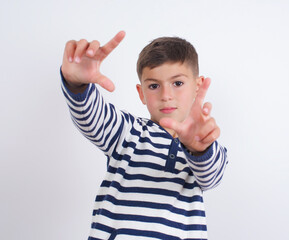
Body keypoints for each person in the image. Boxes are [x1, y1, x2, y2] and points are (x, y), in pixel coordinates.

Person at [60, 31, 228, 240]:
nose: (166, 95)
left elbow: (211, 176)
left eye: (177, 83)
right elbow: (91, 117)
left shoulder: (204, 145)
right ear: (141, 93)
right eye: (154, 86)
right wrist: (77, 83)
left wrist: (198, 148)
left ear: (198, 86)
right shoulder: (127, 131)